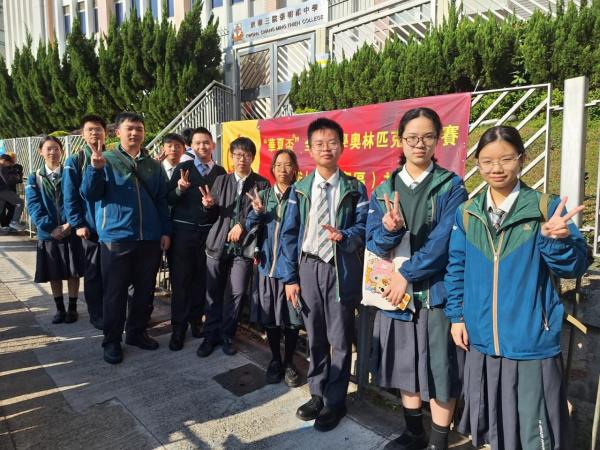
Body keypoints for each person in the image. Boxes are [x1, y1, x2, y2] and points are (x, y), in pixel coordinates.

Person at [445, 125, 589, 450]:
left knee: (536, 433)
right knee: (495, 426)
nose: (496, 168)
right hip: (482, 341)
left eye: (506, 159)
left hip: (530, 341)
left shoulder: (545, 209)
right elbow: (456, 268)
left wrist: (555, 241)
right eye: (487, 161)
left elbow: (575, 266)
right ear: (477, 163)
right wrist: (456, 316)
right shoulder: (467, 213)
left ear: (522, 159)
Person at [366, 108, 468, 450]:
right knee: (404, 365)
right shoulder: (385, 188)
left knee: (441, 371)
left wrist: (406, 275)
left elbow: (445, 240)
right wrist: (388, 229)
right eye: (412, 137)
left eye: (427, 137)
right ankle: (414, 433)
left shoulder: (451, 186)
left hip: (435, 294)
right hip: (396, 297)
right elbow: (372, 242)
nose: (419, 143)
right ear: (400, 141)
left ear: (438, 140)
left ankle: (439, 441)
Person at [279, 118, 369, 432]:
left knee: (340, 337)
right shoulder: (300, 189)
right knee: (315, 334)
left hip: (339, 267)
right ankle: (317, 393)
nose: (326, 148)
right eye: (319, 143)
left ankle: (335, 400)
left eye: (332, 142)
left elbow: (363, 228)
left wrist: (345, 236)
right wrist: (290, 278)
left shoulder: (355, 188)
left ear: (342, 147)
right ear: (309, 149)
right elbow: (289, 234)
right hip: (308, 267)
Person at [81, 112, 171, 365]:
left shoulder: (153, 166)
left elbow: (162, 200)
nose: (134, 133)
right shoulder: (105, 159)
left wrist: (165, 231)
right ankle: (111, 340)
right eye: (129, 128)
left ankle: (136, 332)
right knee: (115, 293)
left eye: (139, 129)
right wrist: (95, 169)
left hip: (149, 238)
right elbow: (89, 194)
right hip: (116, 238)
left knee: (144, 291)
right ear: (118, 132)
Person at [196, 137, 270, 358]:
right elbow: (211, 215)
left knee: (237, 293)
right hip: (217, 245)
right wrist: (208, 206)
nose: (241, 159)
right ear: (231, 157)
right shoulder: (221, 180)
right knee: (213, 292)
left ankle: (227, 335)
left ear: (253, 157)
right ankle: (210, 336)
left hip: (243, 248)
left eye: (246, 155)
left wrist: (247, 221)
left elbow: (264, 217)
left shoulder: (262, 184)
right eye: (237, 155)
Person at [246, 149, 302, 387]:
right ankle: (276, 360)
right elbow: (249, 224)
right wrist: (257, 213)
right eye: (278, 165)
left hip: (292, 269)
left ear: (295, 169)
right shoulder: (264, 195)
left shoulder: (301, 195)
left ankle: (289, 362)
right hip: (267, 268)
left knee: (292, 319)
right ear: (272, 168)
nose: (282, 169)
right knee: (270, 317)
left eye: (288, 165)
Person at [166, 127, 226, 351]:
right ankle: (178, 329)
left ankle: (196, 322)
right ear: (191, 146)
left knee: (202, 281)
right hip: (183, 234)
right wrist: (180, 190)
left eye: (206, 142)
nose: (202, 146)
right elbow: (168, 198)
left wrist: (210, 206)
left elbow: (223, 207)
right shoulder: (184, 169)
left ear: (213, 145)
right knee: (181, 282)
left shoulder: (220, 172)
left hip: (208, 235)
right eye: (197, 143)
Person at [25, 136, 84, 324]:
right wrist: (51, 228)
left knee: (73, 272)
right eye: (48, 149)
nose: (53, 152)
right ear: (40, 152)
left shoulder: (70, 174)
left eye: (56, 148)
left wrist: (69, 224)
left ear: (61, 151)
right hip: (48, 235)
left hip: (70, 230)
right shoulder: (34, 177)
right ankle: (59, 309)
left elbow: (78, 200)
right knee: (54, 273)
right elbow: (33, 205)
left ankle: (72, 308)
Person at [63, 114, 107, 330]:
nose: (95, 133)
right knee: (93, 274)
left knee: (114, 274)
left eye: (98, 129)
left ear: (106, 132)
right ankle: (97, 314)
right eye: (90, 129)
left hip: (113, 228)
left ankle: (112, 311)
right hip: (90, 229)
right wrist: (78, 223)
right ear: (82, 134)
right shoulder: (76, 160)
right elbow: (69, 195)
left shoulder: (112, 156)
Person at [0, 153, 25, 231]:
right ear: (4, 161)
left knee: (1, 208)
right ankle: (14, 222)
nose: (9, 165)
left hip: (3, 190)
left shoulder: (3, 167)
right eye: (9, 163)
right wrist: (17, 177)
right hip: (2, 190)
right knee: (20, 202)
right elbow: (9, 180)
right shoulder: (2, 168)